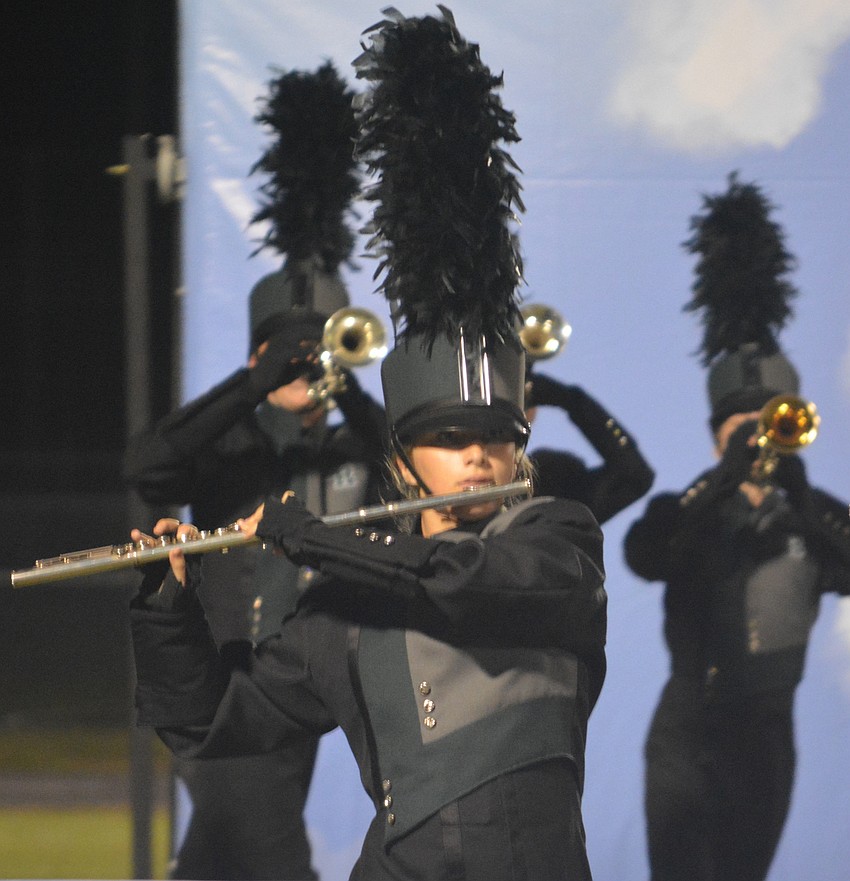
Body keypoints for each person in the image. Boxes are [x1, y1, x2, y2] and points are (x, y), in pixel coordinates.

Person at [129, 9, 608, 879]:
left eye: (496, 439)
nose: (477, 457)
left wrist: (316, 541)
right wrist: (166, 609)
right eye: (450, 438)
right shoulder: (346, 611)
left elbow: (467, 583)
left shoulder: (557, 543)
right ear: (402, 463)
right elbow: (211, 722)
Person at [124, 62, 383, 880]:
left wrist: (348, 386)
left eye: (319, 351)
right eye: (288, 354)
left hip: (302, 685)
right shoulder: (229, 438)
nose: (305, 368)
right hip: (221, 679)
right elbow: (148, 463)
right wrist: (255, 383)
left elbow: (405, 470)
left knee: (219, 858)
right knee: (272, 855)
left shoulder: (354, 444)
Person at [623, 173, 850, 881]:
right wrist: (723, 478)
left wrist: (799, 493)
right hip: (687, 729)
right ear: (714, 432)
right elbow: (646, 554)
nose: (755, 434)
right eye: (740, 424)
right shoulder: (686, 506)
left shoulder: (815, 510)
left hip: (767, 736)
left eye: (769, 420)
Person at [525, 368, 654, 523]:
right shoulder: (568, 515)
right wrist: (570, 400)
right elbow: (636, 475)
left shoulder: (565, 513)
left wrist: (569, 400)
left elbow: (635, 476)